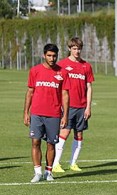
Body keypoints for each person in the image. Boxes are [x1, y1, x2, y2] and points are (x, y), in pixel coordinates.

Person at [23, 43, 69, 183]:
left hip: (54, 114)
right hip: (37, 113)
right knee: (35, 142)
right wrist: (26, 112)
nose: (52, 58)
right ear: (44, 55)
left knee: (51, 144)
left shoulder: (63, 72)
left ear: (57, 56)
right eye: (49, 55)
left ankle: (48, 172)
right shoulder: (35, 71)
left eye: (54, 55)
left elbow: (65, 94)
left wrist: (65, 115)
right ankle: (37, 172)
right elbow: (30, 92)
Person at [52, 37, 95, 173]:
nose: (77, 51)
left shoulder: (86, 66)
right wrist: (59, 104)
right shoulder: (62, 65)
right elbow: (57, 85)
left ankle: (73, 163)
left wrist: (88, 107)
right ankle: (55, 164)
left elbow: (89, 87)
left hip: (82, 107)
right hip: (68, 106)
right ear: (69, 49)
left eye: (79, 49)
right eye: (74, 48)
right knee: (64, 132)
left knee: (79, 134)